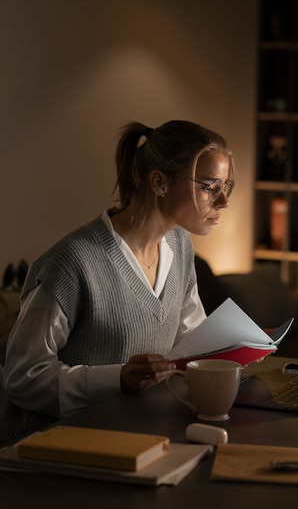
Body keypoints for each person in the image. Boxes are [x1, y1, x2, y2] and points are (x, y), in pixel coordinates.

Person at [0, 120, 234, 446]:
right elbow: (22, 378)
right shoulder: (71, 262)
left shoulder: (180, 247)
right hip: (51, 450)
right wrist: (118, 378)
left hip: (137, 439)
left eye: (226, 186)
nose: (223, 201)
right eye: (209, 186)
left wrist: (238, 348)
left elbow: (190, 341)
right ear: (159, 182)